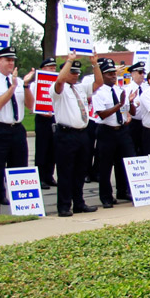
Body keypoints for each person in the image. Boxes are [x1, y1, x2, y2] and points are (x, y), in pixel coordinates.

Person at [0, 46, 34, 215]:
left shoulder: (18, 81)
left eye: (12, 60)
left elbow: (30, 105)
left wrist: (25, 86)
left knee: (20, 170)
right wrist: (11, 88)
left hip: (16, 130)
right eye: (7, 60)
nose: (11, 63)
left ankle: (23, 210)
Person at [49, 52, 97, 216]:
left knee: (80, 171)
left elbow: (98, 83)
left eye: (77, 73)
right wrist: (69, 60)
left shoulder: (80, 88)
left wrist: (95, 64)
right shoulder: (59, 89)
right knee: (66, 172)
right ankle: (63, 206)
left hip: (82, 133)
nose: (75, 75)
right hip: (66, 134)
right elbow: (60, 81)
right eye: (72, 72)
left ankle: (79, 203)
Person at [92, 57, 136, 208]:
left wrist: (128, 105)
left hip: (122, 130)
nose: (113, 76)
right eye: (109, 74)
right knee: (106, 165)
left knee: (127, 161)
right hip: (106, 131)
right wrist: (119, 104)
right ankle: (106, 197)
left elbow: (127, 110)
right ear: (102, 75)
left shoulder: (119, 89)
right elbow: (102, 114)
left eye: (113, 73)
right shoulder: (98, 92)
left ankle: (125, 190)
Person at [34, 57, 57, 189]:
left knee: (53, 149)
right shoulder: (36, 83)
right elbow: (32, 102)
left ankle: (49, 175)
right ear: (43, 69)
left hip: (54, 117)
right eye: (50, 68)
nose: (52, 70)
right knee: (42, 149)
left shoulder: (57, 84)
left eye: (54, 68)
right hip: (42, 118)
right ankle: (40, 177)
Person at [126, 61, 148, 155]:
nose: (142, 75)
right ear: (133, 74)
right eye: (140, 72)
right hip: (133, 123)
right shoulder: (126, 89)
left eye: (143, 72)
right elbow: (123, 107)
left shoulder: (147, 88)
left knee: (145, 150)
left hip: (146, 123)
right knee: (133, 149)